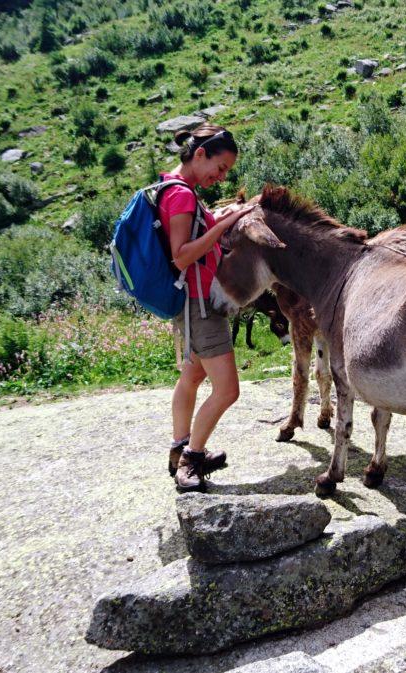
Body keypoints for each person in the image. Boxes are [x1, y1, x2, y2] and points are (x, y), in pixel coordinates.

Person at [159, 123, 256, 492]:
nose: (222, 175)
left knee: (192, 377)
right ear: (200, 154)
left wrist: (222, 216)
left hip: (188, 304)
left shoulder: (175, 187)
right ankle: (191, 460)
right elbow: (182, 256)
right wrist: (227, 223)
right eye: (221, 166)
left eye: (228, 171)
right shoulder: (182, 196)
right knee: (228, 390)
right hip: (200, 304)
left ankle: (178, 447)